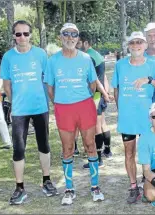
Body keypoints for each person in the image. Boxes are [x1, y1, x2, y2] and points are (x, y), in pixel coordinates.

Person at [45, 23, 105, 205]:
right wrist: (62, 101)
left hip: (85, 106)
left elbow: (93, 83)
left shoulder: (86, 58)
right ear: (60, 37)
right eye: (66, 34)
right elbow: (50, 87)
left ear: (78, 39)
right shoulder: (52, 60)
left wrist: (82, 97)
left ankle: (95, 187)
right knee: (67, 149)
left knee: (90, 145)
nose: (70, 38)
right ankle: (69, 190)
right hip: (64, 108)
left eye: (74, 35)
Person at [0, 20, 57, 205]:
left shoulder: (40, 54)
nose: (22, 37)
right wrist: (15, 102)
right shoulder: (8, 57)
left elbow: (48, 79)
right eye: (18, 34)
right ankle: (19, 187)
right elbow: (6, 85)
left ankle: (46, 180)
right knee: (18, 149)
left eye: (25, 33)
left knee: (44, 145)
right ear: (13, 36)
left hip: (40, 107)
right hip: (19, 110)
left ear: (30, 35)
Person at [111, 31, 155, 204]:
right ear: (128, 46)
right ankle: (132, 186)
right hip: (128, 119)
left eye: (140, 42)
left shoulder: (152, 65)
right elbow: (116, 88)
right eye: (133, 42)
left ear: (145, 45)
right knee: (129, 153)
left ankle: (149, 182)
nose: (136, 45)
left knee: (149, 153)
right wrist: (121, 108)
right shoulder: (120, 65)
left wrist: (149, 80)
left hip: (147, 120)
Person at [79, 31, 113, 168]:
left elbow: (93, 80)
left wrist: (103, 94)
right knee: (103, 123)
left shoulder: (88, 57)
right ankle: (107, 150)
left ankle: (98, 160)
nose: (76, 45)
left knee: (96, 127)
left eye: (79, 42)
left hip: (95, 96)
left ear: (86, 43)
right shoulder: (97, 54)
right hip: (101, 94)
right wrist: (107, 91)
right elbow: (103, 76)